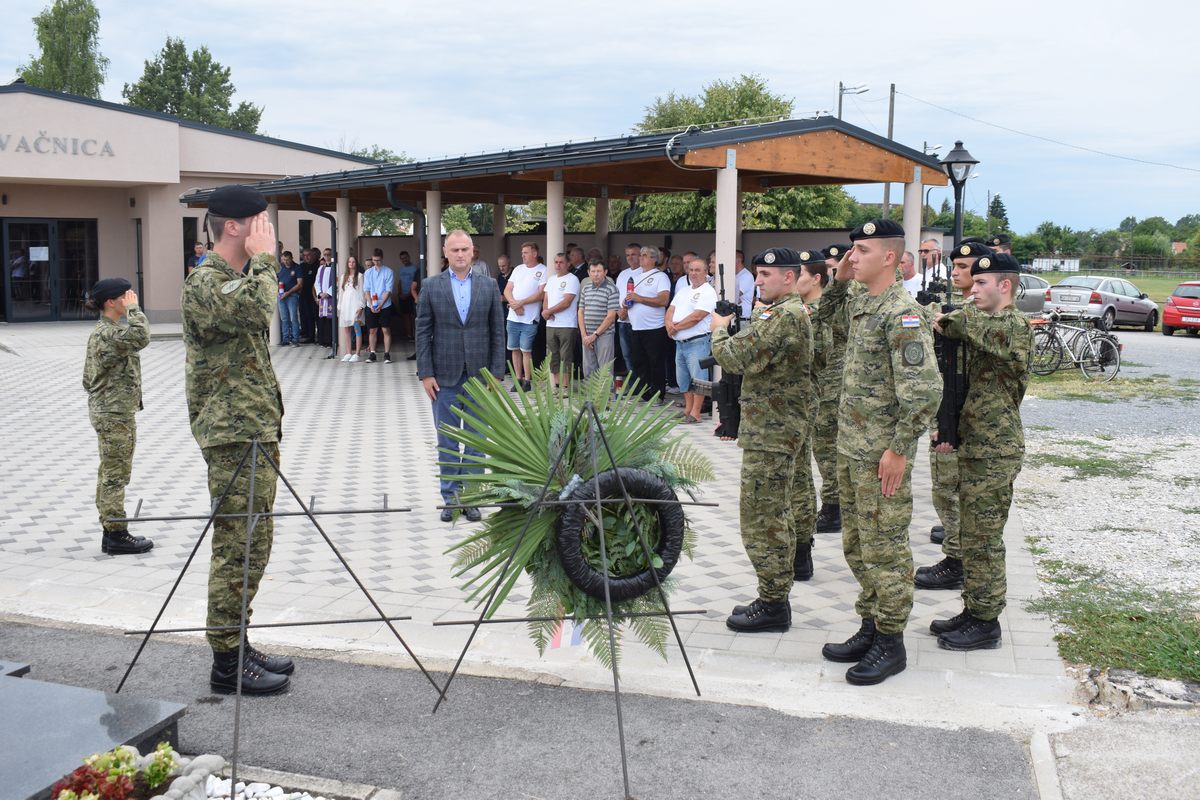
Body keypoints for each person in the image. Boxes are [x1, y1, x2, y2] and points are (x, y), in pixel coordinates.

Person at [816, 219, 940, 686]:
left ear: (889, 257)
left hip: (880, 456)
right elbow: (826, 314)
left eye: (862, 250)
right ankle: (870, 625)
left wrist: (900, 450)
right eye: (851, 250)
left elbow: (925, 391)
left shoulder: (901, 313)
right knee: (856, 546)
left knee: (885, 548)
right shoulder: (861, 301)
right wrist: (841, 277)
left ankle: (891, 642)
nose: (853, 256)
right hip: (851, 447)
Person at [182, 184, 292, 695]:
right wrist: (267, 263)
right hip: (230, 434)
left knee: (256, 541)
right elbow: (255, 312)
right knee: (236, 545)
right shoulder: (205, 281)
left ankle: (238, 638)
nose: (267, 232)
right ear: (235, 227)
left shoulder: (236, 278)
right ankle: (226, 663)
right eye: (261, 223)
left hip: (254, 430)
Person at [929, 252, 1032, 650]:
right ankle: (974, 609)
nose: (972, 291)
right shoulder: (982, 323)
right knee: (971, 535)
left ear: (1004, 286)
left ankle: (987, 621)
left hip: (996, 448)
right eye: (972, 285)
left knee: (985, 539)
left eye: (981, 285)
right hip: (975, 443)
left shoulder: (1014, 326)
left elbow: (957, 323)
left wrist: (946, 316)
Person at [713, 248, 813, 634]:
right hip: (771, 428)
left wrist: (719, 327)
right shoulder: (781, 313)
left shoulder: (784, 315)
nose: (758, 280)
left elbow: (736, 357)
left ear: (789, 278)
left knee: (762, 518)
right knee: (772, 513)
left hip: (773, 431)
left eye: (766, 274)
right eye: (757, 274)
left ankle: (773, 603)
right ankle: (774, 596)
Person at [416, 230, 507, 523]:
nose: (459, 254)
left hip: (481, 377)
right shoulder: (431, 286)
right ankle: (451, 500)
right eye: (454, 249)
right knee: (448, 441)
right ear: (445, 251)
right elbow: (422, 332)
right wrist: (426, 373)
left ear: (472, 252)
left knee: (477, 441)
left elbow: (497, 331)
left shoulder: (489, 285)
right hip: (444, 377)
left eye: (464, 249)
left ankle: (472, 498)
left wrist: (496, 373)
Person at [916, 241, 988, 589]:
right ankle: (956, 554)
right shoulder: (960, 306)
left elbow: (947, 325)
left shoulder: (980, 312)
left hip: (967, 417)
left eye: (964, 266)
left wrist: (936, 317)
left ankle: (959, 560)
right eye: (955, 266)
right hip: (946, 411)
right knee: (944, 489)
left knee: (953, 491)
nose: (956, 272)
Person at [82, 278, 153, 556]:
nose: (131, 299)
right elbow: (141, 336)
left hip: (112, 411)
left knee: (111, 471)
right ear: (111, 302)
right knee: (115, 474)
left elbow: (88, 379)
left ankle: (110, 530)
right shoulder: (107, 333)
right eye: (126, 296)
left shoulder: (106, 331)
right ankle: (116, 534)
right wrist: (135, 311)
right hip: (113, 414)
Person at [790, 250, 830, 581]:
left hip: (808, 401)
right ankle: (799, 547)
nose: (794, 279)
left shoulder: (818, 313)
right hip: (795, 403)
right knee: (798, 475)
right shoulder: (798, 310)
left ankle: (802, 549)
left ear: (815, 278)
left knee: (801, 476)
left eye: (799, 273)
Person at [813, 243, 852, 532]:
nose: (830, 273)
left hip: (836, 385)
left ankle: (833, 506)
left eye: (833, 268)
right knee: (822, 448)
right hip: (822, 385)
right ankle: (833, 503)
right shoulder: (829, 299)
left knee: (829, 450)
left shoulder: (846, 300)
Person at [667, 257, 717, 423]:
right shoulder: (683, 290)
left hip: (697, 342)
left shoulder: (708, 291)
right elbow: (670, 310)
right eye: (691, 270)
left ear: (706, 273)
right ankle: (688, 409)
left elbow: (697, 316)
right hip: (680, 343)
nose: (693, 273)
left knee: (698, 379)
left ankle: (696, 413)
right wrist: (668, 325)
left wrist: (675, 327)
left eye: (697, 270)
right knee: (683, 379)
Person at [625, 245, 672, 401]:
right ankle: (644, 393)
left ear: (653, 259)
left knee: (655, 362)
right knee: (639, 362)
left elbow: (663, 300)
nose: (641, 258)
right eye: (641, 255)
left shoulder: (661, 277)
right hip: (636, 327)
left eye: (644, 255)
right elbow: (632, 298)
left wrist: (640, 299)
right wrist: (626, 304)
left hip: (654, 328)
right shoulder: (636, 278)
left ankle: (657, 394)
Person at [504, 242, 548, 391]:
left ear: (534, 253)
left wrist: (520, 303)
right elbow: (507, 289)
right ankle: (518, 379)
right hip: (513, 317)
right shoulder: (517, 269)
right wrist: (514, 304)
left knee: (526, 350)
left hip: (529, 319)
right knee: (514, 349)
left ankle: (527, 381)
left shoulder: (543, 270)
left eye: (526, 252)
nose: (522, 255)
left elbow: (541, 293)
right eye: (522, 252)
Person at [543, 252, 580, 394]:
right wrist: (545, 311)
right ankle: (556, 386)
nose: (558, 265)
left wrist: (548, 311)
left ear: (568, 264)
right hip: (551, 324)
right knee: (553, 355)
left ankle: (565, 387)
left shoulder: (572, 279)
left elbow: (566, 302)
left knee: (566, 356)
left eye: (561, 262)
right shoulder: (551, 279)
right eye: (556, 262)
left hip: (566, 324)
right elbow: (546, 298)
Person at [577, 257, 619, 381]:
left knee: (604, 371)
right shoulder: (585, 288)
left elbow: (611, 316)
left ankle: (604, 399)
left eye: (599, 271)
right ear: (589, 272)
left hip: (604, 335)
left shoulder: (612, 289)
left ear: (605, 272)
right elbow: (580, 312)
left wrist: (595, 335)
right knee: (589, 369)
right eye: (593, 271)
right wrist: (584, 335)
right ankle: (589, 399)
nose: (596, 274)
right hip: (587, 336)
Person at [615, 243, 641, 387]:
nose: (630, 258)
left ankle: (640, 384)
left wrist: (625, 310)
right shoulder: (623, 274)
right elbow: (617, 295)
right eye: (628, 255)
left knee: (638, 356)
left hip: (636, 322)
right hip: (622, 321)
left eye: (633, 254)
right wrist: (620, 311)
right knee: (627, 355)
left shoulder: (644, 273)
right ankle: (632, 383)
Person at [362, 248, 394, 363]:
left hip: (385, 304)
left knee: (386, 330)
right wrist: (371, 304)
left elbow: (388, 290)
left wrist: (380, 305)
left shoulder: (388, 271)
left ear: (382, 258)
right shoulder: (368, 272)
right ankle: (372, 353)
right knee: (372, 330)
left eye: (378, 260)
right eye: (374, 260)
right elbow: (366, 290)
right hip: (371, 304)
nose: (376, 263)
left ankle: (386, 354)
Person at [338, 255, 366, 362]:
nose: (351, 264)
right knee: (347, 330)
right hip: (346, 306)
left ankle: (357, 353)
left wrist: (361, 306)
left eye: (353, 262)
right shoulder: (343, 277)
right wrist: (339, 306)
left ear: (356, 263)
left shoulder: (359, 276)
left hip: (355, 306)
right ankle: (348, 352)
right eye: (349, 262)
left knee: (357, 328)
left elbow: (362, 293)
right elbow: (341, 293)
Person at [276, 251, 302, 347]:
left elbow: (300, 284)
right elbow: (276, 280)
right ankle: (285, 339)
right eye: (284, 260)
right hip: (281, 296)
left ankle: (295, 339)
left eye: (287, 260)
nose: (285, 262)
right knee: (284, 318)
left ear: (291, 258)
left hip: (292, 296)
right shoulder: (280, 268)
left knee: (293, 318)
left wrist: (288, 292)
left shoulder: (297, 267)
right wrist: (277, 292)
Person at [396, 250, 420, 342]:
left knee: (413, 316)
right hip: (402, 296)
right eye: (402, 258)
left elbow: (414, 284)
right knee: (405, 316)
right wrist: (400, 293)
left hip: (411, 296)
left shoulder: (414, 269)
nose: (404, 260)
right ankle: (409, 335)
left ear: (409, 257)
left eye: (405, 258)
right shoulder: (401, 269)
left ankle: (415, 335)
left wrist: (408, 294)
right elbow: (400, 282)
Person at [298, 248, 320, 343]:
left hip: (315, 296)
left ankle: (316, 336)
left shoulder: (319, 265)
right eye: (304, 255)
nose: (306, 257)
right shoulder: (302, 266)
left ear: (314, 255)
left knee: (315, 316)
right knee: (304, 315)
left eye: (308, 255)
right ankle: (306, 335)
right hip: (303, 295)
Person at [314, 253, 335, 349]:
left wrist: (329, 293)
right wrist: (320, 293)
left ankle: (331, 341)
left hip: (331, 297)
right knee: (323, 319)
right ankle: (323, 341)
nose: (327, 256)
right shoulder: (321, 268)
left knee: (330, 319)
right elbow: (317, 282)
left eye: (328, 254)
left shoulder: (336, 267)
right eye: (325, 254)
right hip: (322, 298)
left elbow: (337, 281)